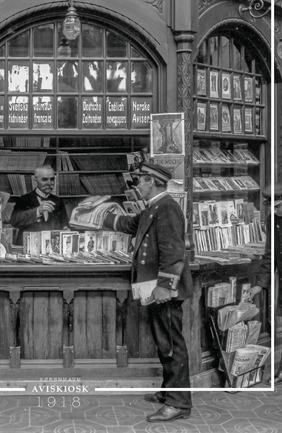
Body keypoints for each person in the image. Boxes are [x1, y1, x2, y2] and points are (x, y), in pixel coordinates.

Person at [103, 162, 192, 423]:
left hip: (164, 290)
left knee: (172, 345)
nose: (136, 186)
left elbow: (174, 252)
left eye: (139, 182)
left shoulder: (167, 208)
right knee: (164, 341)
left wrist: (165, 286)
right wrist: (96, 215)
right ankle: (168, 393)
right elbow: (132, 224)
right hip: (154, 287)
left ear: (151, 181)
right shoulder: (154, 207)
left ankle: (179, 403)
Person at [249, 181, 282, 385]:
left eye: (278, 206)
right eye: (271, 206)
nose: (274, 210)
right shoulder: (273, 220)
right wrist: (260, 284)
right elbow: (270, 255)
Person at [10, 165, 69, 246]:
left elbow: (65, 224)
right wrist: (38, 211)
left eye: (52, 179)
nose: (49, 183)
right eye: (44, 179)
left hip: (51, 248)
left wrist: (66, 228)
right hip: (28, 247)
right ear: (35, 180)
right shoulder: (23, 199)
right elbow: (14, 221)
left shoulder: (58, 201)